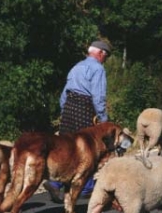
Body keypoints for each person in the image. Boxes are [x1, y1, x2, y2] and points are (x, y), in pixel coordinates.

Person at [44, 40, 112, 203]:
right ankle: (86, 187)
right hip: (85, 109)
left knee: (67, 147)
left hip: (69, 108)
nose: (105, 60)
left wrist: (65, 110)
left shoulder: (76, 67)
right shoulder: (98, 69)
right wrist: (104, 120)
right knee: (89, 149)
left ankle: (55, 182)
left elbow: (64, 93)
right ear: (101, 53)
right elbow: (98, 97)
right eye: (106, 56)